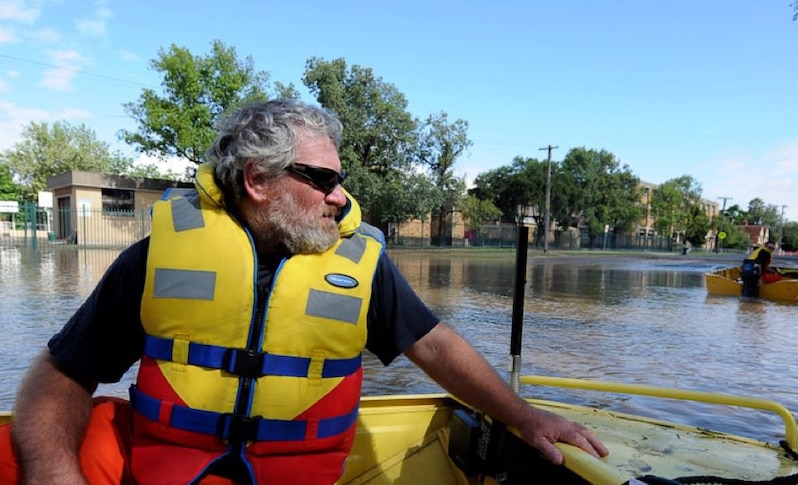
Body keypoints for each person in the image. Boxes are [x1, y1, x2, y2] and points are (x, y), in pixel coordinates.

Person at [1, 99, 608, 485]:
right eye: (322, 180)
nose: (339, 197)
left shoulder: (360, 264)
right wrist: (53, 471)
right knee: (20, 450)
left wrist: (525, 417)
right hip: (172, 473)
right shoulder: (159, 258)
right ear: (258, 181)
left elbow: (436, 346)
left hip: (297, 477)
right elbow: (62, 371)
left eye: (339, 181)